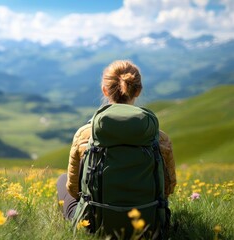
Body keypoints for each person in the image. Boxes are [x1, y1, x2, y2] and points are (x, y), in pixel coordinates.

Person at [56, 60, 177, 221]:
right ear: (138, 90)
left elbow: (73, 189)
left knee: (62, 180)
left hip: (95, 225)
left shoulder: (85, 135)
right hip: (148, 224)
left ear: (105, 90)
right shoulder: (158, 137)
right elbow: (168, 189)